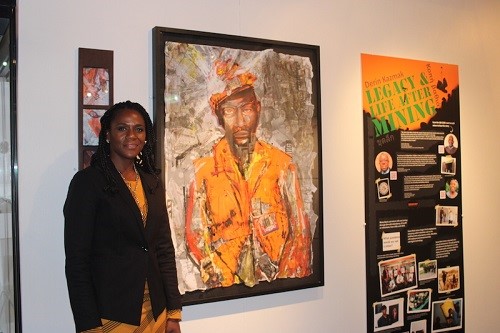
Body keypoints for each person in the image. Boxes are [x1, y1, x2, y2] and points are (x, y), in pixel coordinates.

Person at [185, 61, 312, 288]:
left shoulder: (282, 165)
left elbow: (300, 232)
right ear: (219, 117)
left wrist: (285, 279)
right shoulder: (203, 171)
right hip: (225, 285)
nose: (240, 122)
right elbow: (195, 234)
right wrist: (218, 274)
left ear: (258, 109)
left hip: (277, 282)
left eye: (246, 109)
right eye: (230, 112)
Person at [64, 101, 182, 333]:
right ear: (107, 134)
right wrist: (88, 325)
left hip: (157, 313)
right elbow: (77, 262)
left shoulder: (152, 183)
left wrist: (173, 312)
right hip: (112, 316)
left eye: (139, 129)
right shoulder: (87, 184)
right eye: (122, 128)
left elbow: (164, 249)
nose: (132, 135)